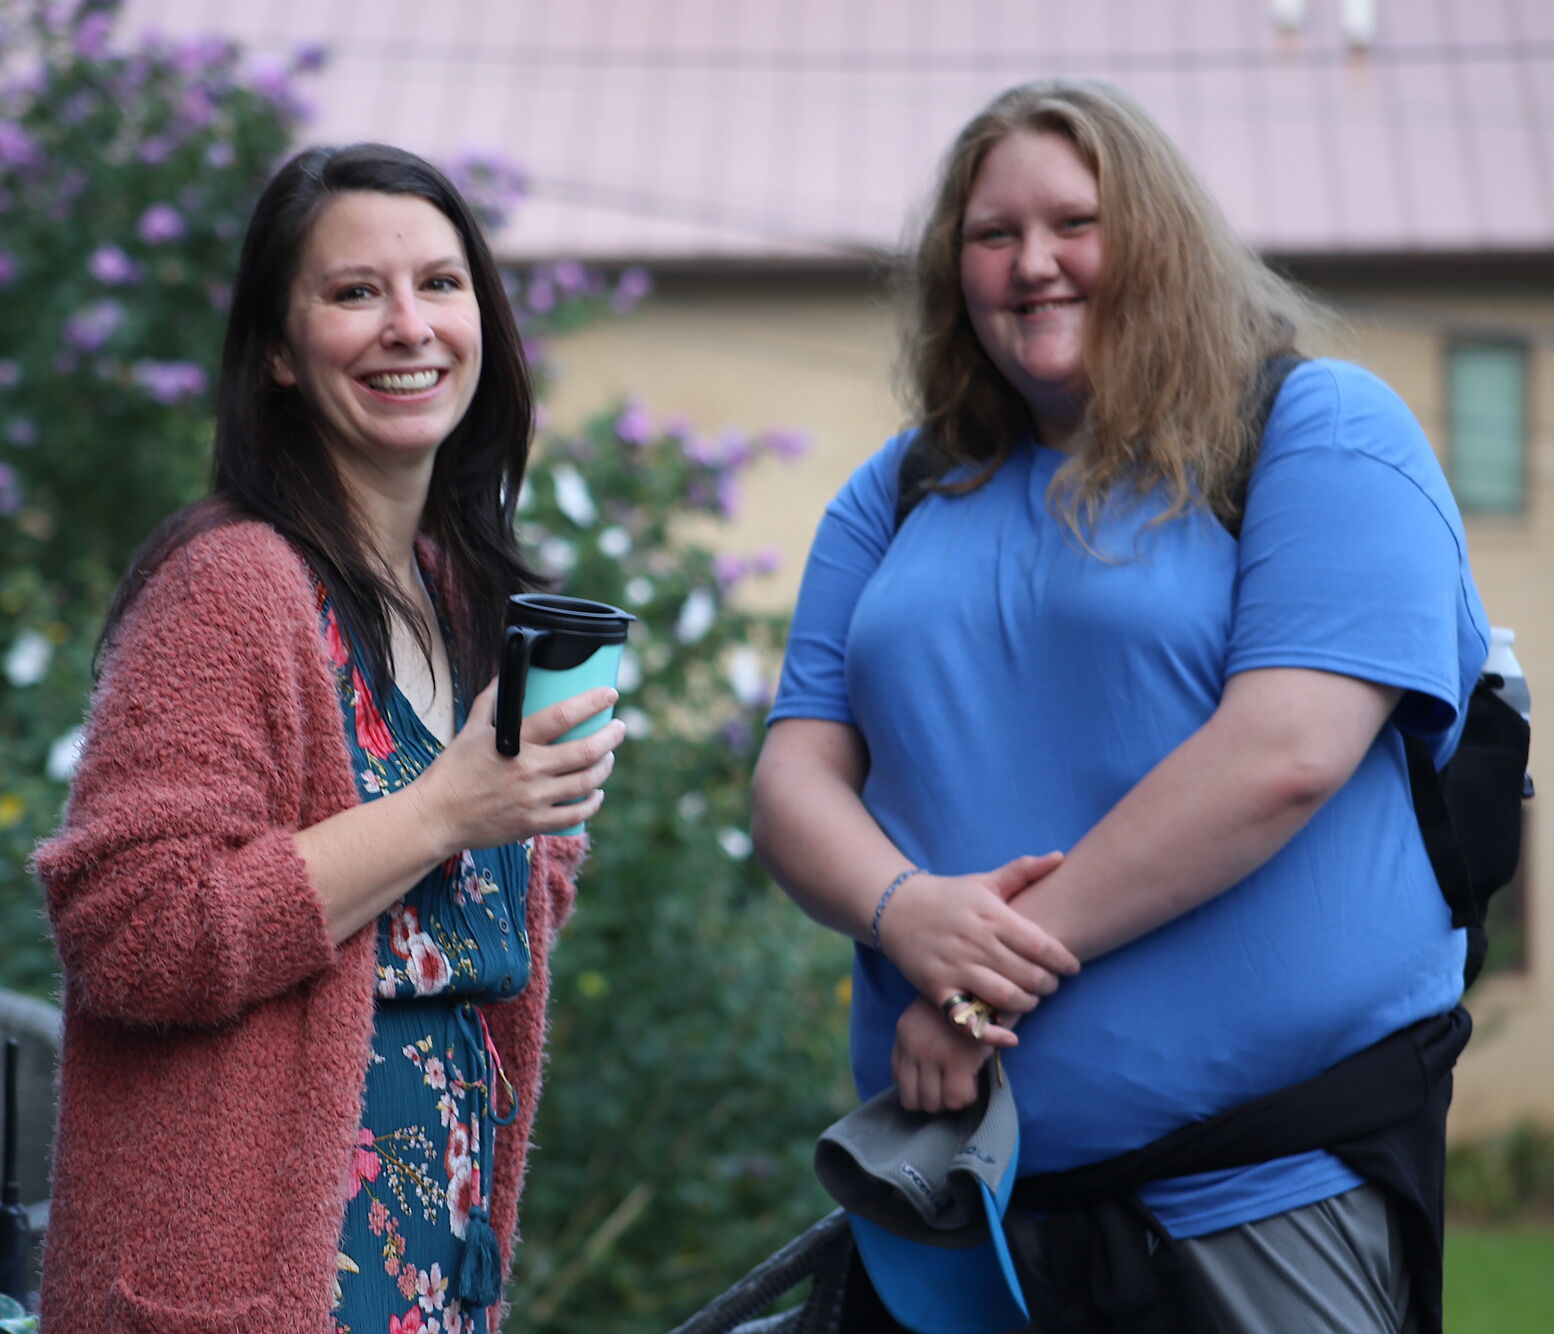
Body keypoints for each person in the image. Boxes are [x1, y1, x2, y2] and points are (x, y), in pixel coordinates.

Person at [752, 79, 1488, 1334]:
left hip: (1258, 1198)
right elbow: (793, 776)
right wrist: (904, 910)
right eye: (992, 235)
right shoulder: (900, 487)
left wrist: (979, 985)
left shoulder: (1316, 430)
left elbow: (1287, 753)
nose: (1033, 264)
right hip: (964, 1221)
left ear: (1156, 236)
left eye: (1074, 223)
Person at [33, 143, 626, 1333]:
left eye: (441, 285)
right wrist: (445, 810)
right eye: (356, 292)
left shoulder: (468, 601)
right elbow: (133, 929)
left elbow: (481, 931)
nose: (409, 325)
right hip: (247, 1288)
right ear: (277, 350)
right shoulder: (232, 586)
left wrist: (533, 826)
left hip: (434, 1265)